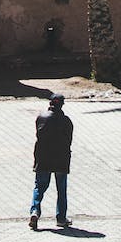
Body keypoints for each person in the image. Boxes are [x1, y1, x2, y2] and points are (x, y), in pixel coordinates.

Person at [30, 92, 74, 230]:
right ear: (62, 105)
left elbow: (39, 136)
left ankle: (35, 211)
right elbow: (69, 141)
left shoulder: (41, 118)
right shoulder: (66, 121)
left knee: (39, 187)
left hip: (43, 158)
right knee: (61, 189)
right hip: (61, 159)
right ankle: (61, 218)